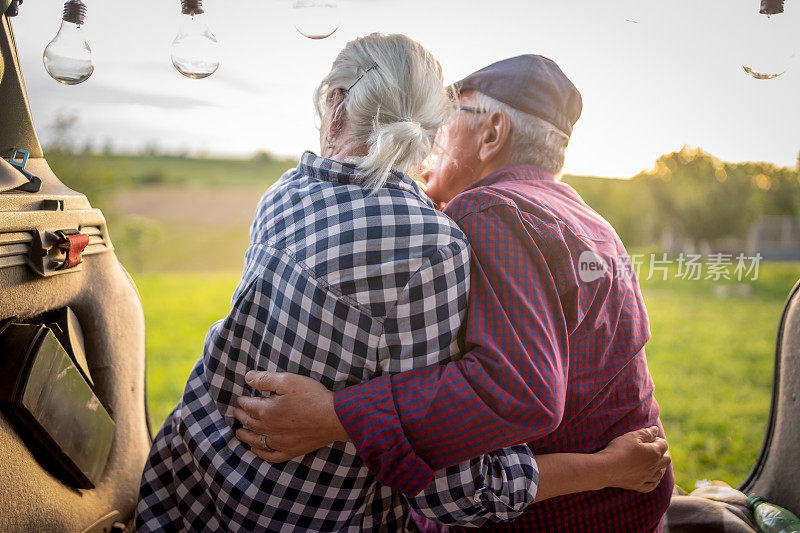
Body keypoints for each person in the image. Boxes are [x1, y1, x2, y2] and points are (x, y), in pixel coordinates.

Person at [136, 37, 669, 532]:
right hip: (625, 497)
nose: (436, 139)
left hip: (561, 514)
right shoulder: (587, 219)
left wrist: (336, 414)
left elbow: (519, 394)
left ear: (492, 133)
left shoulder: (472, 209)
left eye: (454, 116)